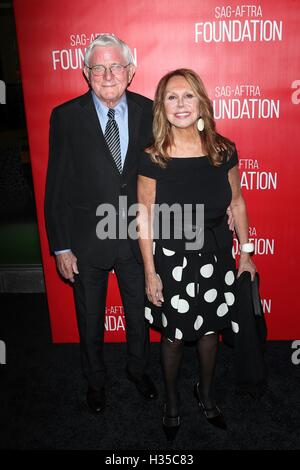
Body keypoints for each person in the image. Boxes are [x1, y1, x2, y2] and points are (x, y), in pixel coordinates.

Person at [137, 68, 256, 441]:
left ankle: (206, 395)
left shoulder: (223, 150)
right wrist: (149, 272)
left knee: (209, 333)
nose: (181, 104)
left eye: (188, 95)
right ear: (162, 107)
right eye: (172, 97)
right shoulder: (153, 158)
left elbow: (237, 203)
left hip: (217, 255)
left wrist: (247, 254)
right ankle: (171, 403)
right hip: (171, 260)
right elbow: (143, 217)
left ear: (201, 101)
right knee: (173, 336)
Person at [45, 34, 158, 415]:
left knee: (138, 315)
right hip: (86, 242)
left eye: (116, 66)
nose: (108, 74)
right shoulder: (65, 116)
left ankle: (138, 370)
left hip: (134, 240)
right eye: (98, 67)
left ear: (130, 71)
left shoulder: (150, 110)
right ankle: (95, 381)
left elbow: (168, 174)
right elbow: (56, 185)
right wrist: (61, 246)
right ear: (85, 72)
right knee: (90, 319)